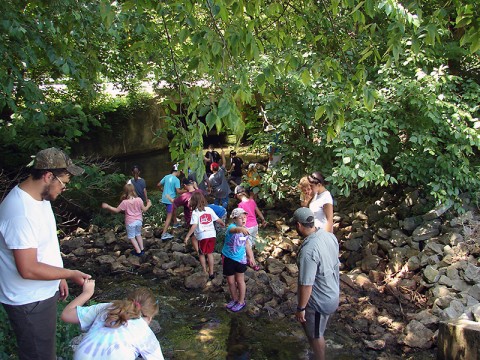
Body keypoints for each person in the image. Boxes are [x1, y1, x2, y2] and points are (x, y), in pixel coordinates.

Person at [0, 147, 91, 360]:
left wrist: (58, 274)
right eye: (63, 183)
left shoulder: (39, 199)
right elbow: (28, 268)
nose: (64, 188)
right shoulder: (20, 213)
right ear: (48, 176)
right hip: (28, 302)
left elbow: (43, 247)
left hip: (40, 294)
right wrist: (69, 273)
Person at [61, 280, 165, 360]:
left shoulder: (107, 307)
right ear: (150, 317)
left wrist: (87, 293)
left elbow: (66, 314)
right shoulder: (144, 332)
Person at [292, 207, 340, 360]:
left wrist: (301, 308)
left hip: (319, 301)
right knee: (317, 331)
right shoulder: (328, 236)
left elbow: (306, 284)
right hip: (333, 292)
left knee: (315, 335)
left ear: (299, 225)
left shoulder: (309, 251)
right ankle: (314, 354)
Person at [101, 184, 152, 256]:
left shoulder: (125, 202)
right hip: (139, 221)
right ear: (133, 190)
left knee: (131, 237)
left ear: (125, 192)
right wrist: (149, 204)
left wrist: (107, 206)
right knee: (138, 234)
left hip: (130, 222)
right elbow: (144, 209)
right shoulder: (139, 199)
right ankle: (142, 249)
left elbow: (116, 210)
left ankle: (138, 251)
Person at [222, 208, 257, 313]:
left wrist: (251, 257)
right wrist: (241, 229)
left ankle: (241, 301)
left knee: (240, 280)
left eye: (245, 217)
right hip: (228, 257)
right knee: (230, 281)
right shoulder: (232, 227)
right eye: (240, 218)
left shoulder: (245, 229)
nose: (243, 219)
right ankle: (234, 299)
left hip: (240, 259)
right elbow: (234, 230)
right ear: (234, 219)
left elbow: (247, 244)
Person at [184, 191, 225, 280]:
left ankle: (204, 271)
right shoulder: (209, 210)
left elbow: (194, 225)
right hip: (212, 235)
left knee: (201, 253)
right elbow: (218, 220)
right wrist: (223, 224)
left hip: (202, 236)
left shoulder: (195, 212)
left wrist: (187, 236)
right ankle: (211, 272)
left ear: (193, 202)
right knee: (209, 253)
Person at [157, 164, 182, 240]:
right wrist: (186, 190)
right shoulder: (177, 180)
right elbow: (178, 191)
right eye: (180, 171)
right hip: (170, 200)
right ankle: (164, 234)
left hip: (164, 198)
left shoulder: (166, 176)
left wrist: (162, 190)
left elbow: (158, 185)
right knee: (169, 216)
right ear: (177, 171)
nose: (180, 173)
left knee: (174, 209)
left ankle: (175, 223)